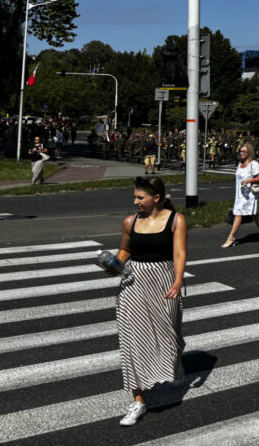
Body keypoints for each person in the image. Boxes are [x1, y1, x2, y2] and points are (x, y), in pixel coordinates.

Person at [110, 176, 187, 427]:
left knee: (170, 334)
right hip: (133, 284)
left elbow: (179, 253)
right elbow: (124, 250)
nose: (135, 202)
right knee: (131, 340)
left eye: (140, 197)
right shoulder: (130, 222)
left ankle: (173, 360)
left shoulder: (176, 220)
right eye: (135, 197)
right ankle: (138, 401)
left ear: (157, 198)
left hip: (164, 281)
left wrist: (177, 282)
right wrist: (113, 264)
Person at [221, 144, 259, 247]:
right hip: (239, 194)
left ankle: (231, 238)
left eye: (244, 152)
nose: (241, 153)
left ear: (249, 153)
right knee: (254, 214)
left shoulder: (253, 164)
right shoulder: (240, 163)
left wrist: (249, 180)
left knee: (238, 214)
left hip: (249, 195)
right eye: (240, 151)